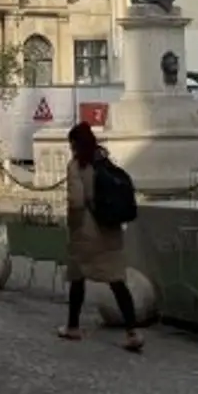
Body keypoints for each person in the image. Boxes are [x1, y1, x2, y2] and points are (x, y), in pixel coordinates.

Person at [58, 123, 142, 351]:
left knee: (78, 277)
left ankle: (72, 326)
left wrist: (72, 226)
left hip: (85, 231)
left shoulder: (77, 166)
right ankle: (132, 332)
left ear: (74, 144)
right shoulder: (103, 162)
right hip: (110, 230)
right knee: (117, 281)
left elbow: (76, 202)